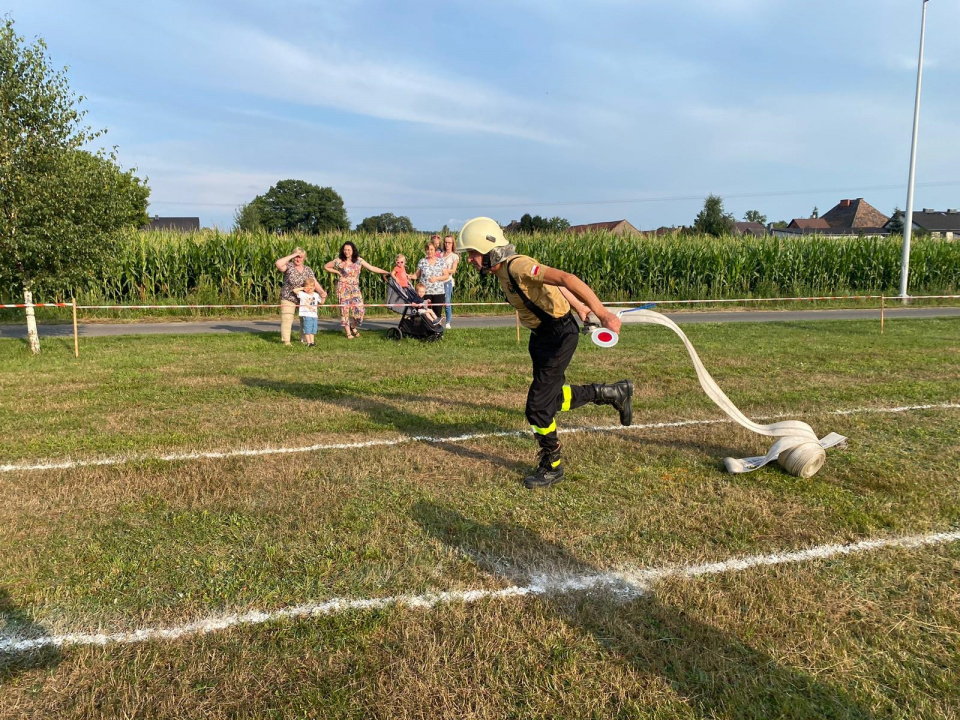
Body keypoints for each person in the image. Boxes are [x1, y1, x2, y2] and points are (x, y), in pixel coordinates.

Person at [456, 216, 633, 489]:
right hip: (540, 338)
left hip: (559, 336)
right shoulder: (501, 270)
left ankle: (552, 466)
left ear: (487, 248)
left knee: (537, 408)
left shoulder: (518, 265)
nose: (470, 259)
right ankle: (612, 393)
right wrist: (580, 309)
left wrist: (600, 312)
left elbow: (566, 278)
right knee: (551, 400)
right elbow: (554, 286)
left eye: (472, 253)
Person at [324, 241, 389, 339]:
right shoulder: (339, 260)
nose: (346, 252)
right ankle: (348, 333)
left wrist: (386, 272)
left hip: (355, 288)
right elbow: (326, 266)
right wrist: (337, 272)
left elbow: (372, 268)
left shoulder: (359, 260)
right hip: (343, 287)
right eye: (345, 250)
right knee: (344, 310)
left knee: (360, 310)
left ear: (353, 250)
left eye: (349, 250)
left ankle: (353, 326)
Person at [275, 247, 319, 346]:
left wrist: (322, 292)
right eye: (296, 257)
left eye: (300, 257)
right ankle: (286, 341)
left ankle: (304, 339)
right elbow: (278, 264)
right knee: (287, 319)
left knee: (305, 319)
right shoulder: (288, 266)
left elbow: (314, 282)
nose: (298, 259)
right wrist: (293, 255)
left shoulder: (308, 269)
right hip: (288, 297)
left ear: (304, 258)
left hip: (304, 299)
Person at [412, 239, 450, 311]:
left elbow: (446, 275)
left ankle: (437, 322)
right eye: (428, 249)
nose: (429, 251)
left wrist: (436, 278)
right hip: (425, 292)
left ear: (435, 250)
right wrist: (408, 276)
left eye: (431, 249)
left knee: (437, 314)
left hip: (438, 292)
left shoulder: (441, 261)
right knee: (426, 313)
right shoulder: (422, 261)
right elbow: (416, 275)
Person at [292, 278, 327, 347]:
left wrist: (324, 297)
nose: (309, 288)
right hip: (306, 314)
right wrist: (303, 288)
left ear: (314, 287)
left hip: (314, 315)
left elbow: (322, 303)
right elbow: (294, 290)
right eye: (307, 286)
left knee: (313, 330)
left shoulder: (316, 295)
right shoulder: (302, 294)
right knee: (307, 329)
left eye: (311, 287)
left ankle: (312, 342)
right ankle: (308, 343)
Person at [441, 235, 459, 329]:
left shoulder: (454, 256)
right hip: (438, 281)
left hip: (447, 281)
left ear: (452, 244)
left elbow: (453, 270)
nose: (447, 244)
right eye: (446, 242)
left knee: (447, 302)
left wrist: (444, 271)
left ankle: (448, 322)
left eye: (449, 243)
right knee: (438, 302)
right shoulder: (440, 254)